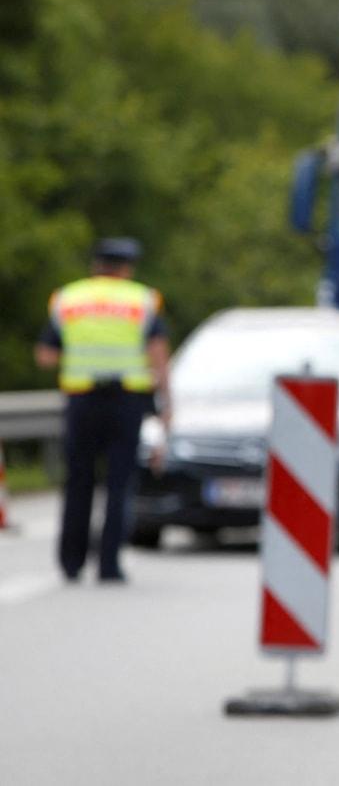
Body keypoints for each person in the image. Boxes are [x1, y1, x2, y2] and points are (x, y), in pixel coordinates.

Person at [35, 238, 171, 583]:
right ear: (127, 268)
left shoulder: (67, 298)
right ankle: (109, 565)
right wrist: (166, 402)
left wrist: (83, 356)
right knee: (118, 483)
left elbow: (45, 356)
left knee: (78, 481)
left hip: (82, 399)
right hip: (126, 400)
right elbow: (158, 354)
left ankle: (71, 563)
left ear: (97, 265)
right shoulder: (143, 299)